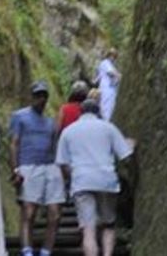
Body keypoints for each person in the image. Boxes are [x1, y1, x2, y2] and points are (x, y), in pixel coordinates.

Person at [55, 98, 134, 256]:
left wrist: (72, 177)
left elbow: (62, 163)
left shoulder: (68, 131)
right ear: (98, 112)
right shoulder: (108, 128)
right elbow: (126, 156)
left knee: (88, 230)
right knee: (108, 225)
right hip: (106, 181)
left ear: (81, 113)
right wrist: (131, 147)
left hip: (81, 182)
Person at [9, 80, 63, 256]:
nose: (41, 99)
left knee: (55, 214)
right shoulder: (19, 117)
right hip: (28, 166)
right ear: (31, 97)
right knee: (29, 212)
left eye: (44, 96)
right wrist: (15, 170)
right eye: (38, 95)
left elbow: (55, 148)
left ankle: (46, 252)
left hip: (50, 167)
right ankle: (27, 252)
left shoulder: (50, 123)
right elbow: (14, 143)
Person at [95, 49, 121, 122]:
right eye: (112, 55)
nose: (113, 58)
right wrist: (120, 76)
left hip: (111, 89)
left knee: (110, 106)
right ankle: (105, 121)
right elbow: (111, 73)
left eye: (115, 56)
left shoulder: (111, 65)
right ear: (109, 55)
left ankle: (107, 120)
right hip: (106, 89)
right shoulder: (105, 63)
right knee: (106, 106)